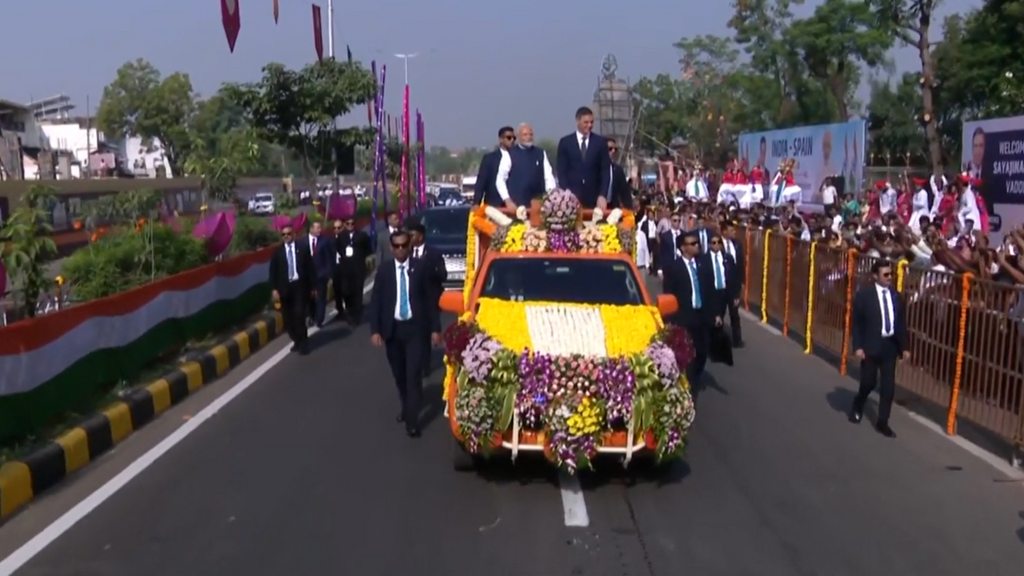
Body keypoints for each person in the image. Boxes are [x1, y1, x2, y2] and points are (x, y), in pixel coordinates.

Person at [368, 230, 442, 438]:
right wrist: (375, 330)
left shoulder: (421, 268)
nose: (400, 249)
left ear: (409, 246)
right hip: (393, 331)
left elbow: (430, 301)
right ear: (392, 248)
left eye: (404, 245)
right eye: (397, 246)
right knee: (399, 375)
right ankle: (406, 405)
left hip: (415, 330)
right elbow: (377, 302)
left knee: (413, 375)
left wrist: (435, 329)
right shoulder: (384, 271)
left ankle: (413, 421)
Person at [848, 260, 909, 438]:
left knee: (888, 387)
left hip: (889, 346)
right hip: (870, 344)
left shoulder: (896, 296)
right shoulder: (864, 296)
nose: (890, 278)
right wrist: (858, 346)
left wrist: (905, 347)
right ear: (875, 276)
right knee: (868, 382)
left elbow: (901, 324)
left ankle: (883, 422)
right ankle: (858, 403)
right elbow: (857, 324)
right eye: (886, 275)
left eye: (891, 274)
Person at [662, 231, 722, 386]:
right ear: (683, 248)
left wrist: (716, 313)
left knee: (702, 352)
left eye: (697, 243)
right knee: (685, 352)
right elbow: (669, 294)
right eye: (693, 244)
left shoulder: (704, 265)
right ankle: (687, 381)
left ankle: (695, 375)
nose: (697, 246)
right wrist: (669, 319)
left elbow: (710, 290)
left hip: (702, 315)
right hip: (683, 316)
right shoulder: (674, 268)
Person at [269, 224, 316, 355]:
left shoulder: (302, 249)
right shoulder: (277, 253)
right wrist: (274, 289)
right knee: (288, 319)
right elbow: (273, 272)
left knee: (299, 315)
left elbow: (310, 269)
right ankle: (296, 339)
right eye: (283, 235)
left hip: (299, 287)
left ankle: (304, 342)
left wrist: (313, 287)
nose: (286, 237)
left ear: (294, 235)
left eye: (288, 234)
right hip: (285, 289)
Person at [407, 221, 447, 377]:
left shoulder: (434, 253)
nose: (410, 238)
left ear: (421, 236)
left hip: (430, 298)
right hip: (412, 299)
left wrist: (429, 273)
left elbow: (443, 275)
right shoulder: (406, 253)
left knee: (424, 335)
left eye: (412, 235)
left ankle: (424, 365)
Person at [556, 106, 611, 209]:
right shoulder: (566, 143)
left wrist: (602, 195)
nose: (589, 125)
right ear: (578, 121)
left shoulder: (600, 143)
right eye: (586, 122)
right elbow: (561, 171)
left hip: (594, 198)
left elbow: (605, 171)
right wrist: (567, 195)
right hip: (571, 199)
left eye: (591, 122)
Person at [496, 123, 557, 211]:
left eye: (530, 134)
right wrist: (507, 200)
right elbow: (500, 180)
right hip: (517, 206)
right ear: (519, 136)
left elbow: (548, 177)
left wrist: (551, 198)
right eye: (525, 134)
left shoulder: (540, 153)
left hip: (538, 205)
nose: (528, 137)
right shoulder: (510, 154)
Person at [332, 217, 372, 326]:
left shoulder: (362, 235)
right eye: (348, 223)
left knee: (357, 292)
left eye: (352, 223)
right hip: (345, 269)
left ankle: (356, 315)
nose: (350, 225)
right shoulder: (341, 237)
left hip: (358, 268)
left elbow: (368, 249)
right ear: (345, 224)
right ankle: (349, 309)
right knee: (346, 291)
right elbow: (338, 249)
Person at [474, 126, 515, 206]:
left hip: (514, 204)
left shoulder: (517, 158)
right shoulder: (490, 159)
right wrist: (476, 202)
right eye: (509, 138)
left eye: (514, 138)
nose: (512, 140)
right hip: (494, 204)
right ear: (501, 139)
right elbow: (481, 182)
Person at [720, 220, 745, 346]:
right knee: (719, 313)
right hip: (721, 284)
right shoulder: (717, 244)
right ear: (724, 231)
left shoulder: (737, 245)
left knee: (734, 313)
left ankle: (737, 339)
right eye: (731, 230)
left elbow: (741, 265)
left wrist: (741, 283)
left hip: (733, 285)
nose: (734, 232)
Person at [656, 211, 683, 278]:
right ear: (671, 221)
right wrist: (660, 269)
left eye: (679, 221)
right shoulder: (665, 236)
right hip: (669, 266)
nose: (677, 223)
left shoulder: (684, 235)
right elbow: (661, 253)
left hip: (682, 266)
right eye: (675, 220)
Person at [606, 137, 630, 209]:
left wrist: (628, 209)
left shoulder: (618, 170)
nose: (613, 151)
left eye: (615, 149)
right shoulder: (593, 168)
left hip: (613, 208)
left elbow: (625, 193)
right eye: (610, 149)